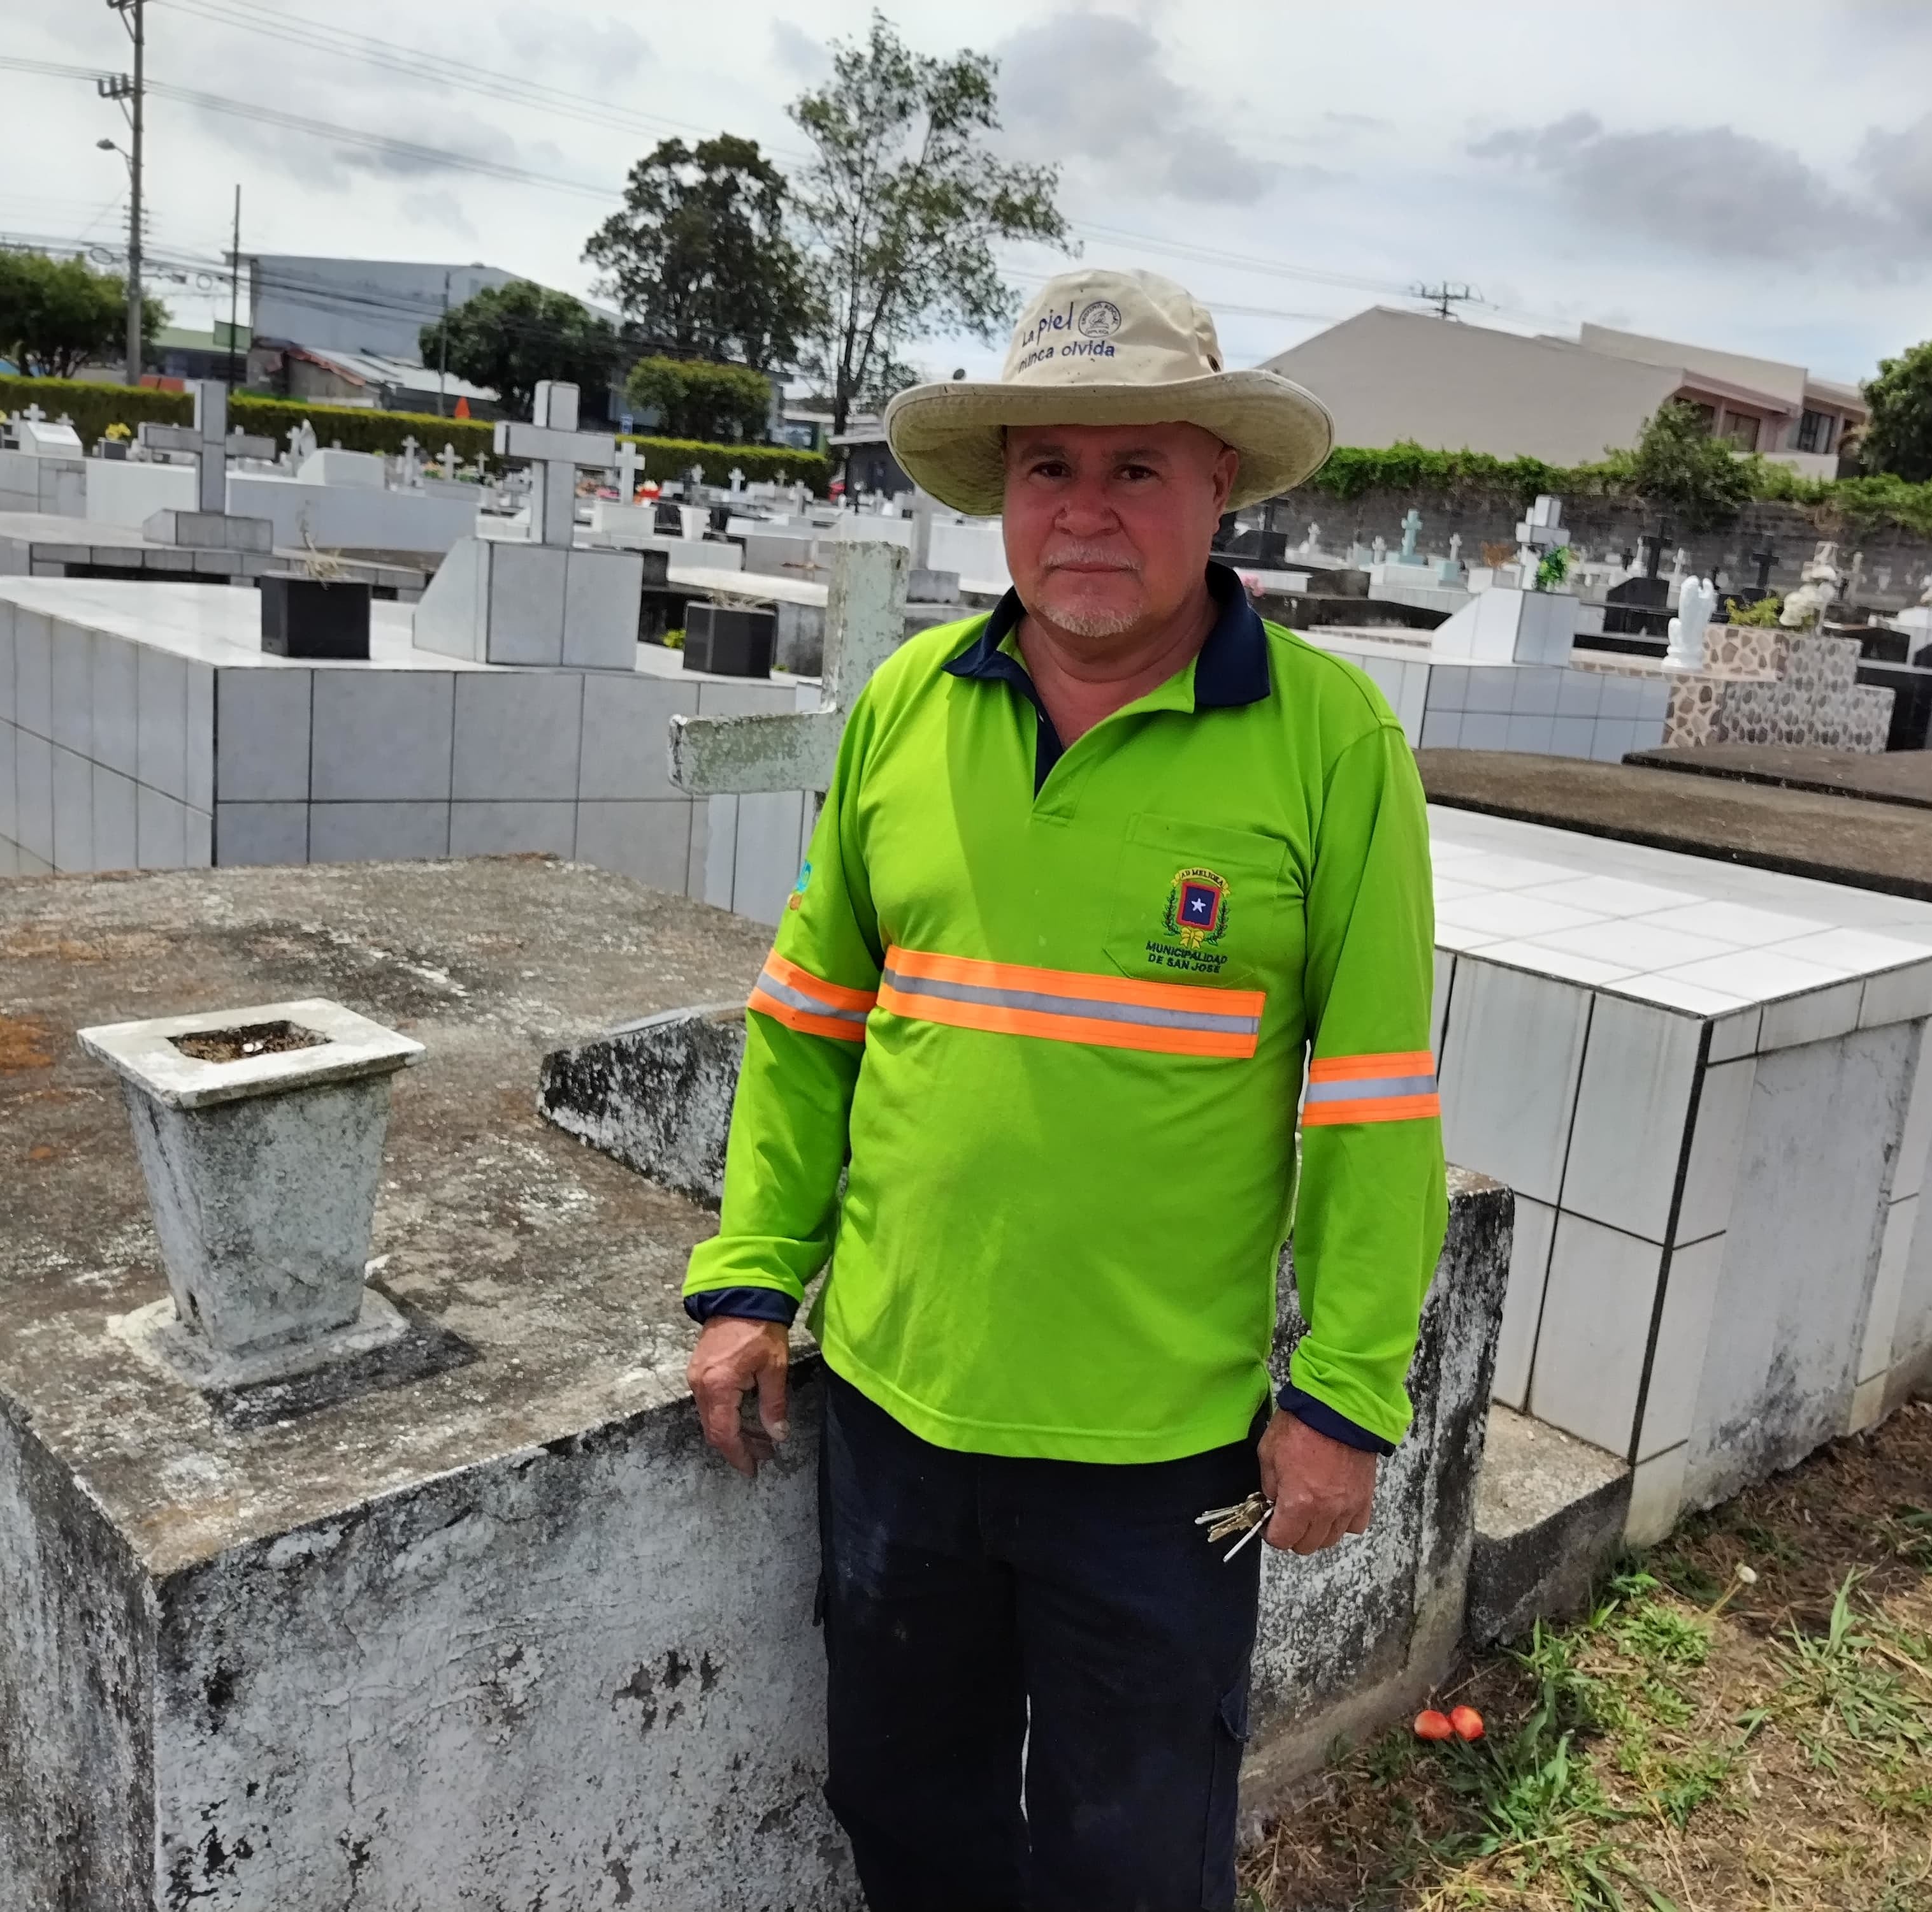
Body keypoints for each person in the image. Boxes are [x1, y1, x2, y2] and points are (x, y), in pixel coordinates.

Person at [682, 267, 1445, 1912]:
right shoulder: (907, 705)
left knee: (1131, 1862)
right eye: (1050, 468)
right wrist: (751, 1278)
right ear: (1003, 495)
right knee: (909, 1815)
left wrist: (1344, 1395)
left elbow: (1376, 1097)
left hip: (1158, 1460)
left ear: (1218, 485)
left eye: (1136, 468)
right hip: (894, 1410)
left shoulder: (1331, 743)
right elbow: (808, 1022)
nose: (1086, 511)